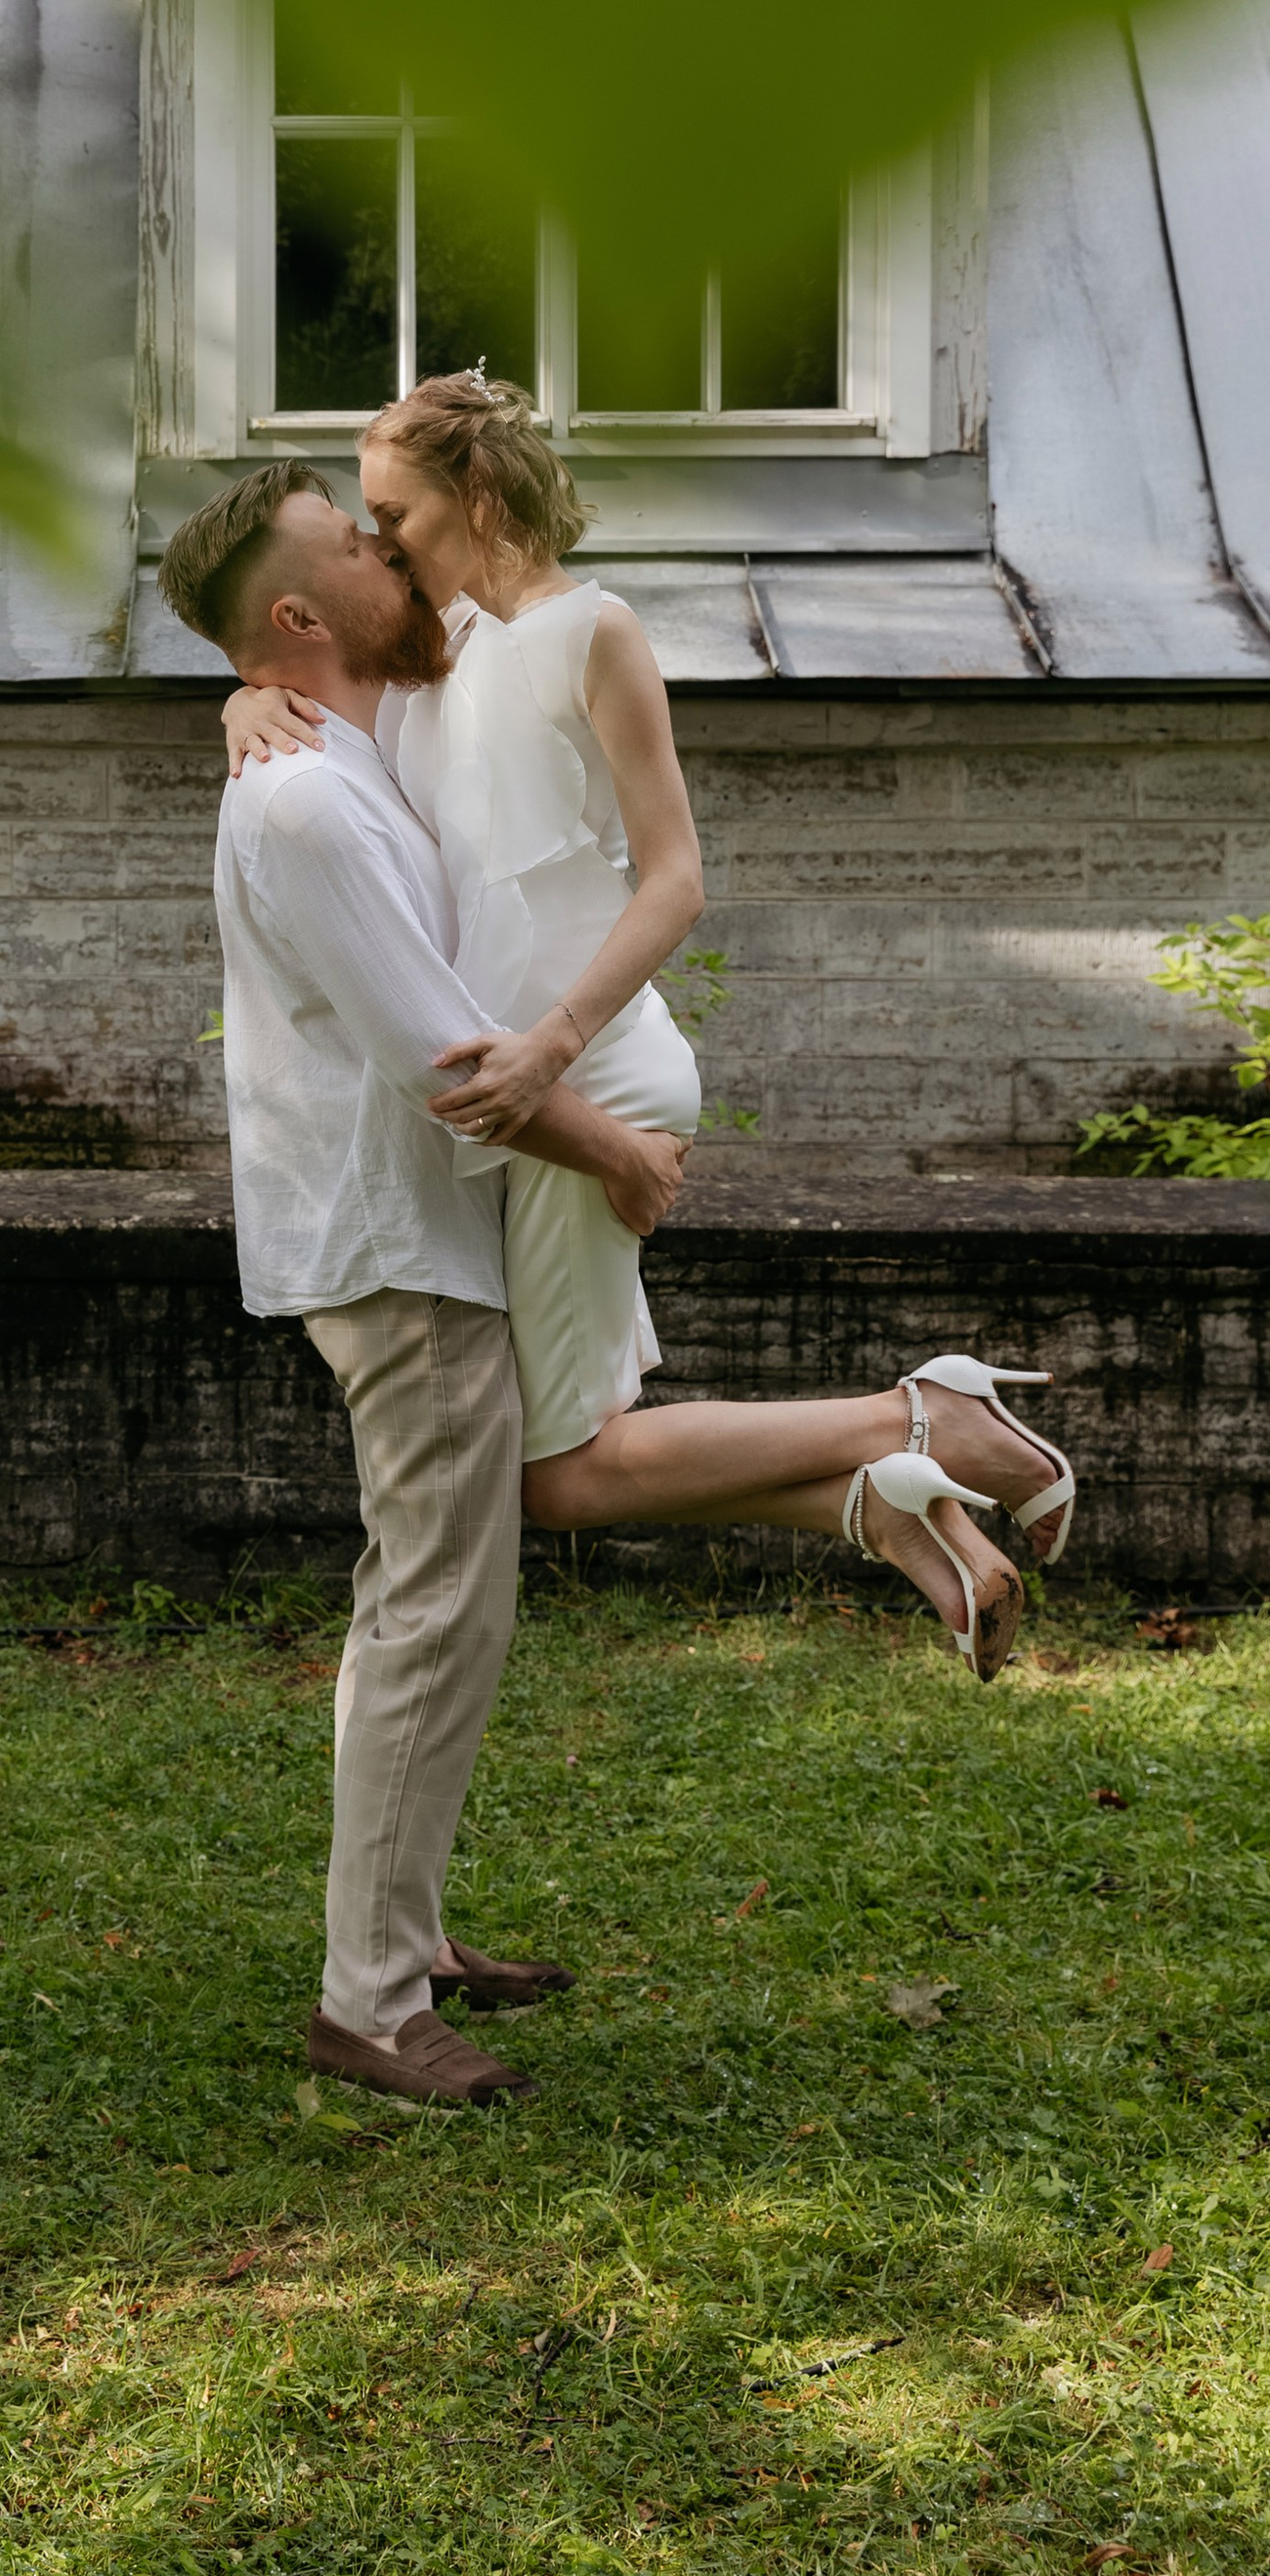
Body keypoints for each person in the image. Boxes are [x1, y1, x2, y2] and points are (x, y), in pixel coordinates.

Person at [222, 372, 1077, 1685]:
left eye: (395, 515)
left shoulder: (594, 632)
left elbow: (675, 877)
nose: (381, 545)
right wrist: (238, 699)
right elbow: (302, 670)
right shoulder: (437, 647)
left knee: (566, 1473)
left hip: (589, 1074)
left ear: (479, 493)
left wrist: (554, 1052)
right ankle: (896, 1497)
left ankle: (923, 1414)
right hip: (524, 1100)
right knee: (566, 1460)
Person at [156, 457, 689, 2112]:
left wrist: (238, 693)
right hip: (397, 1251)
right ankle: (371, 2004)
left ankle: (405, 1936)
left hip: (419, 1237)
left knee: (433, 1600)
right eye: (356, 540)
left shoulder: (343, 749)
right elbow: (449, 1061)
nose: (392, 546)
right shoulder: (306, 800)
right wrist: (618, 1154)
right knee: (435, 1607)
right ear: (299, 612)